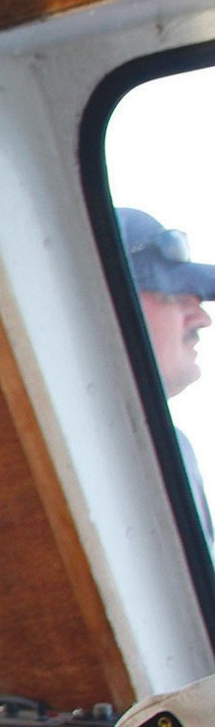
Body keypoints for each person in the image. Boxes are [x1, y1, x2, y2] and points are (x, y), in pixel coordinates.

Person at [118, 206, 215, 545]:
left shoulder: (171, 446)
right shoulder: (157, 448)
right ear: (115, 300)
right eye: (173, 296)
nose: (203, 320)